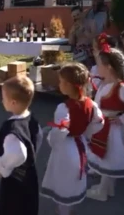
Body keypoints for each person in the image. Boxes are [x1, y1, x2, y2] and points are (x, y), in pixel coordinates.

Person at [40, 63, 104, 215]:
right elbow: (99, 122)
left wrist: (53, 139)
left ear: (69, 85)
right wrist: (85, 133)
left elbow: (57, 134)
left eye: (61, 81)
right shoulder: (91, 104)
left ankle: (63, 211)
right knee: (73, 178)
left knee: (63, 178)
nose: (59, 84)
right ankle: (69, 208)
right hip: (80, 144)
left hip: (66, 149)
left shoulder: (64, 108)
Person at [87, 43, 124, 202]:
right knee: (105, 157)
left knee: (108, 159)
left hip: (112, 130)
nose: (97, 67)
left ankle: (103, 191)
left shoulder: (121, 88)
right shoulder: (105, 84)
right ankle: (107, 188)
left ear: (109, 67)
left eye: (99, 64)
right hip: (102, 128)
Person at [0, 76, 43, 215]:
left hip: (15, 181)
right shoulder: (32, 119)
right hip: (29, 175)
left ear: (13, 102)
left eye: (3, 97)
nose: (2, 100)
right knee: (28, 207)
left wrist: (3, 167)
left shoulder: (12, 129)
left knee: (13, 208)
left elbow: (19, 153)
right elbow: (39, 136)